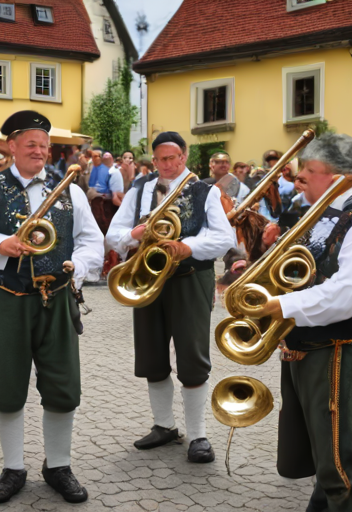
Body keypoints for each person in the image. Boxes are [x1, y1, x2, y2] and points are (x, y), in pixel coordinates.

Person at [0, 110, 104, 504]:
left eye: (44, 145)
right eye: (31, 144)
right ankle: (13, 468)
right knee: (7, 388)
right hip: (7, 300)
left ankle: (58, 465)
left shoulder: (69, 188)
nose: (39, 151)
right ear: (12, 146)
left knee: (63, 387)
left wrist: (80, 267)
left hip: (56, 299)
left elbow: (92, 240)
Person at [254, 134, 352, 512]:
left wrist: (276, 304)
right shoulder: (325, 217)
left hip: (342, 355)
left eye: (308, 174)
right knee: (326, 464)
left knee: (343, 470)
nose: (298, 181)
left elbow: (345, 297)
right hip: (315, 351)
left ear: (339, 178)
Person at [105, 131, 233, 463]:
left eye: (172, 158)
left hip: (191, 277)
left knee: (192, 357)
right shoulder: (140, 188)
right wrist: (135, 234)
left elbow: (223, 238)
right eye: (160, 158)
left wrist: (187, 246)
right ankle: (164, 425)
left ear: (183, 157)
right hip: (148, 278)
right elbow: (113, 235)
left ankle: (199, 435)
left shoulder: (205, 191)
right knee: (151, 355)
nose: (165, 164)